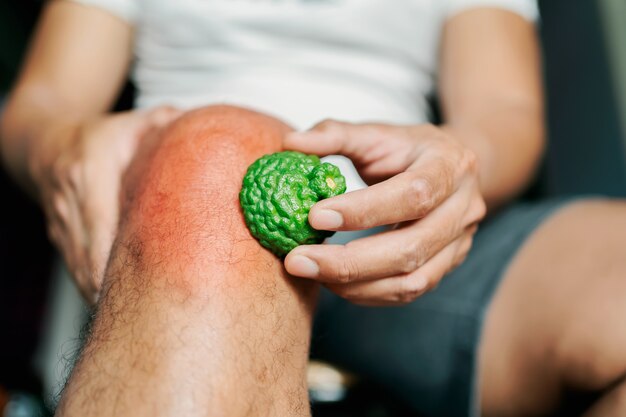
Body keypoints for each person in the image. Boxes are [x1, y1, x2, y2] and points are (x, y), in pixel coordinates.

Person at [1, 0, 625, 416]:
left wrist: (455, 165)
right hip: (186, 218)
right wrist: (60, 149)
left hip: (401, 247)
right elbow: (41, 101)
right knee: (217, 149)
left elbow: (505, 115)